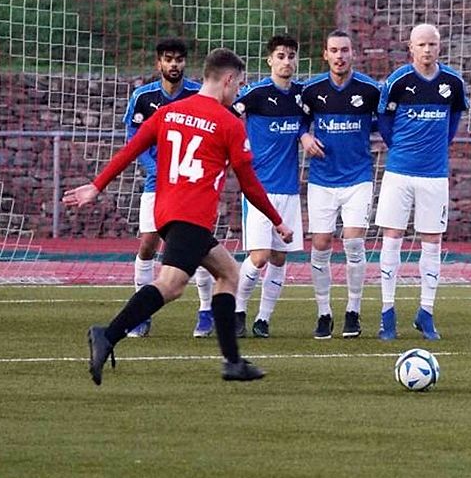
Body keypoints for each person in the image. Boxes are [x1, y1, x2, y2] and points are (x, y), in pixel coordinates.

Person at [63, 48, 293, 385]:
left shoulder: (170, 112)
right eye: (239, 84)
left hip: (167, 210)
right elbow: (249, 184)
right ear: (227, 80)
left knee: (228, 272)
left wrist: (97, 185)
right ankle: (107, 334)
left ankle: (232, 362)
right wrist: (277, 220)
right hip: (192, 213)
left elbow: (131, 149)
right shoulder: (229, 123)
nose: (239, 92)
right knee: (171, 285)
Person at [375, 23, 469, 341]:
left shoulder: (452, 82)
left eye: (432, 44)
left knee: (432, 242)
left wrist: (437, 148)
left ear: (439, 46)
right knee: (392, 238)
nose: (427, 50)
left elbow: (454, 120)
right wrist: (400, 148)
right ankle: (387, 313)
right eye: (421, 45)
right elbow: (385, 122)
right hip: (399, 172)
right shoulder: (398, 81)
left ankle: (425, 313)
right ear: (410, 47)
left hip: (434, 174)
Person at [121, 38, 216, 338]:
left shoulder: (198, 95)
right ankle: (141, 314)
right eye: (168, 59)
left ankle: (205, 311)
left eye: (178, 59)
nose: (173, 64)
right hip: (156, 185)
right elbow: (134, 142)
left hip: (190, 187)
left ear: (185, 63)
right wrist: (158, 170)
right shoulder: (143, 97)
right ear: (158, 63)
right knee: (147, 244)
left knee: (196, 247)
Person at [299, 30, 380, 339]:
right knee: (320, 245)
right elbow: (299, 121)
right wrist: (304, 136)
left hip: (358, 177)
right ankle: (324, 313)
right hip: (322, 179)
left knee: (354, 243)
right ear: (326, 54)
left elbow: (384, 121)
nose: (340, 55)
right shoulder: (312, 90)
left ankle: (353, 312)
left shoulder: (370, 90)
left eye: (345, 50)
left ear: (352, 53)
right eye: (334, 50)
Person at [231, 34, 305, 338]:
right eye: (280, 56)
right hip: (259, 189)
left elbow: (308, 121)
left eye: (291, 56)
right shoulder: (255, 94)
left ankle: (263, 319)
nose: (286, 61)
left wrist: (304, 133)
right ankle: (237, 311)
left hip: (289, 189)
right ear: (269, 60)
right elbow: (226, 115)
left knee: (279, 257)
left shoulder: (302, 96)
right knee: (259, 256)